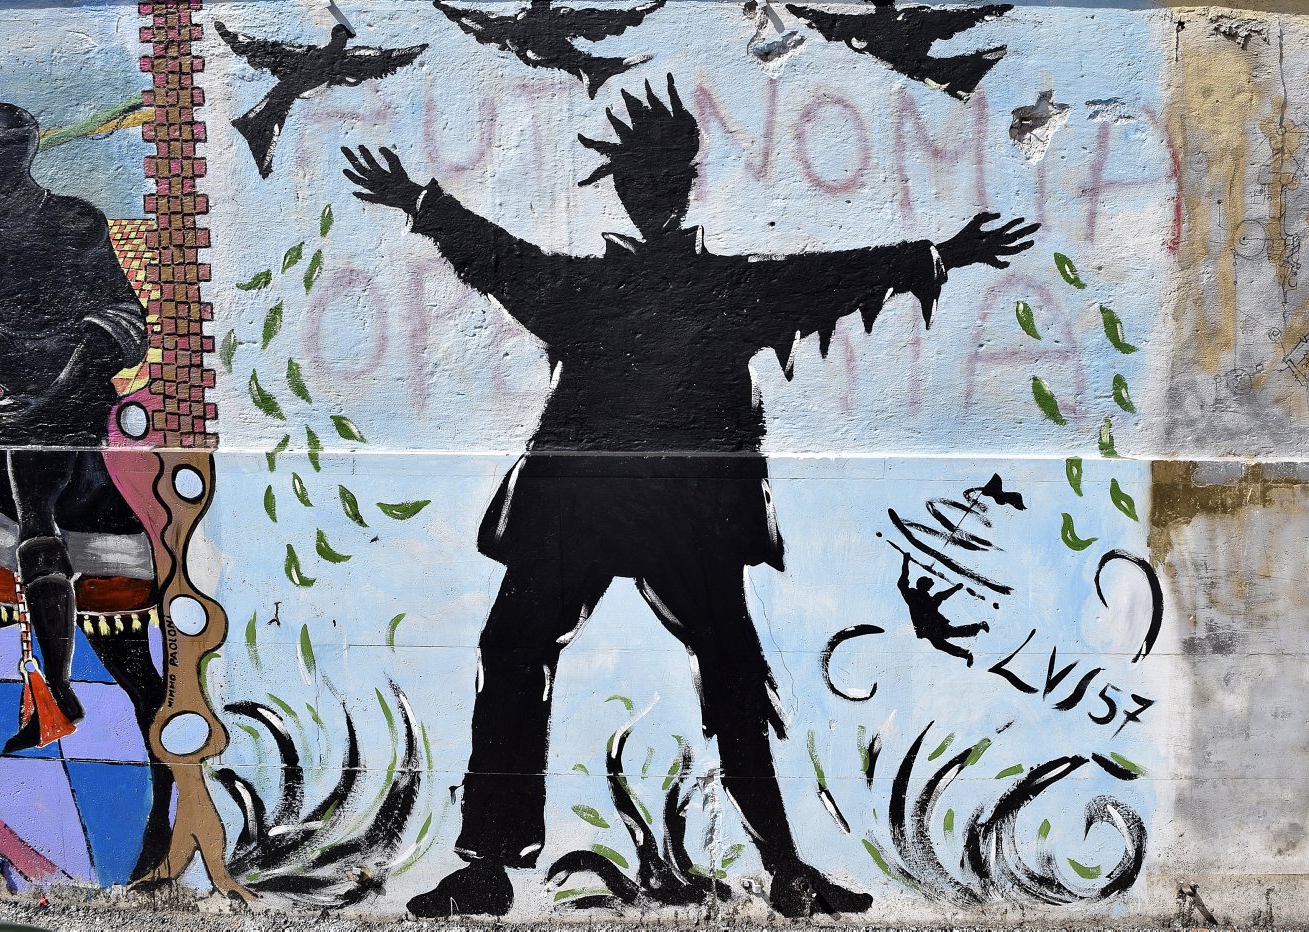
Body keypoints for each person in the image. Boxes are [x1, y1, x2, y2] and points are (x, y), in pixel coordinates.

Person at [343, 75, 1038, 918]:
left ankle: (505, 865)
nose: (652, 192)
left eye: (655, 177)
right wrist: (937, 256)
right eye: (651, 177)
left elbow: (507, 260)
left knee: (565, 657)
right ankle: (769, 868)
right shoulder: (708, 290)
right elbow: (819, 279)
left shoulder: (616, 292)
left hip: (597, 510)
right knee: (691, 668)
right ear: (667, 188)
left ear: (656, 188)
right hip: (653, 513)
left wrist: (419, 200)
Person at [0, 102, 149, 752]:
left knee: (34, 495)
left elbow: (123, 316)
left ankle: (57, 691)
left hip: (74, 394)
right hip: (12, 390)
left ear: (14, 156)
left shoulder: (77, 220)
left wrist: (67, 376)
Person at [896, 552, 989, 666]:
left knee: (949, 636)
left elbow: (941, 596)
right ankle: (968, 650)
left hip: (932, 626)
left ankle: (974, 637)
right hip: (927, 627)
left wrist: (955, 588)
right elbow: (903, 579)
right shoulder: (912, 595)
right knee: (945, 640)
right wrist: (906, 561)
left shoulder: (925, 599)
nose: (928, 588)